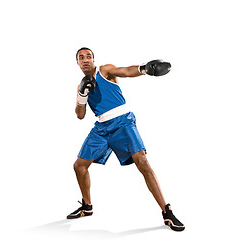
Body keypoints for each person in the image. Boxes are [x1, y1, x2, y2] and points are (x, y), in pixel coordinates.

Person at [67, 47, 185, 231]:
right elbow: (80, 115)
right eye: (81, 58)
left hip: (123, 123)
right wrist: (82, 94)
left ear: (93, 59)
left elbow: (126, 71)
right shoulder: (80, 86)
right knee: (79, 166)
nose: (85, 60)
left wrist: (144, 68)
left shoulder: (105, 71)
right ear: (77, 63)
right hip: (101, 128)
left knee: (143, 163)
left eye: (88, 56)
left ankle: (166, 212)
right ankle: (87, 207)